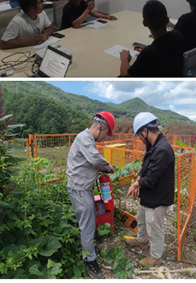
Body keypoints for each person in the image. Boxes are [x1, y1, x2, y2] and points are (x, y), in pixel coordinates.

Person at [66, 112, 116, 279]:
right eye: (105, 134)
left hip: (83, 187)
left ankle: (89, 250)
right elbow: (94, 160)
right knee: (87, 224)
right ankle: (89, 260)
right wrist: (108, 167)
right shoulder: (85, 138)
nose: (104, 138)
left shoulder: (87, 138)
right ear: (101, 126)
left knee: (89, 221)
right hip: (79, 189)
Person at [126, 112, 174, 267]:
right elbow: (145, 169)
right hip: (148, 195)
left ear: (145, 131)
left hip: (157, 198)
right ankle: (141, 240)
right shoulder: (152, 146)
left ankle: (155, 257)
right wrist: (138, 180)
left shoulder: (163, 149)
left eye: (139, 135)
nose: (139, 139)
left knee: (154, 228)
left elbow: (151, 179)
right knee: (141, 219)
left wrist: (134, 185)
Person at [120, 0, 187, 77]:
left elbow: (125, 75)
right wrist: (147, 49)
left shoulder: (149, 53)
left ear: (144, 23)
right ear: (167, 20)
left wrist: (124, 59)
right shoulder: (177, 35)